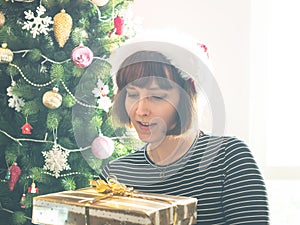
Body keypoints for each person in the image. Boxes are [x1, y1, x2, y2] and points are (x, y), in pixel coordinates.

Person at [101, 30, 269, 224]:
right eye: (131, 94)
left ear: (187, 98)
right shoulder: (115, 174)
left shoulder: (229, 157)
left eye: (156, 96)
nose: (140, 110)